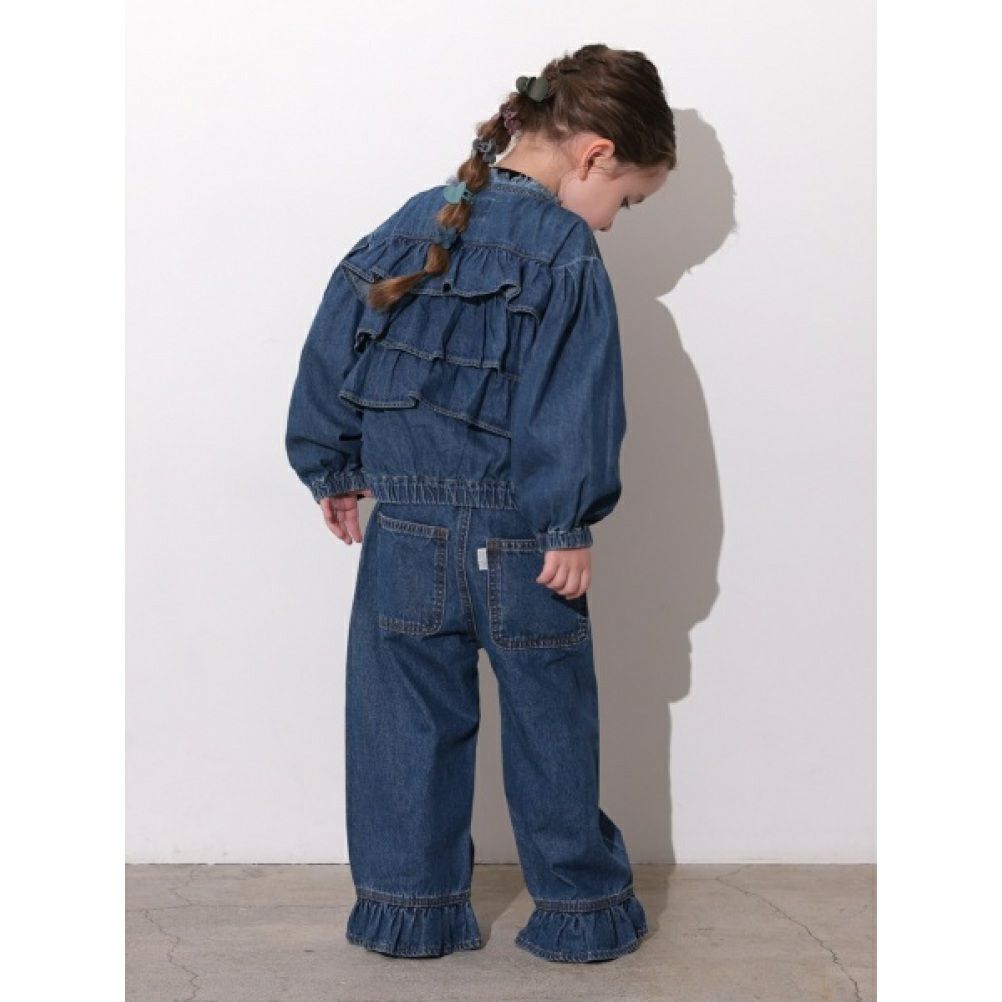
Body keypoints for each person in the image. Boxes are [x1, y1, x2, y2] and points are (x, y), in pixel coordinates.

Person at [285, 43, 675, 963]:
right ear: (594, 154)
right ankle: (577, 911)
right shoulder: (565, 250)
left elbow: (334, 343)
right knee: (551, 726)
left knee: (402, 725)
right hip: (523, 540)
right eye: (627, 199)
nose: (615, 221)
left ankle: (407, 909)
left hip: (404, 534)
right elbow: (572, 395)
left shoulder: (410, 221)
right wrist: (567, 520)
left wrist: (333, 467)